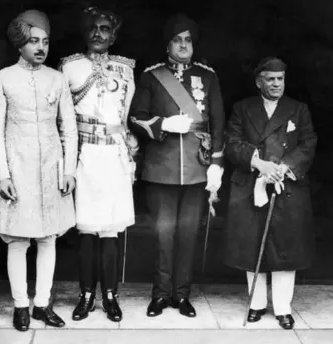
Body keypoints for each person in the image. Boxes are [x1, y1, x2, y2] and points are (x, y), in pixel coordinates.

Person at [129, 13, 225, 318]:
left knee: (188, 236)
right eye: (177, 39)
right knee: (163, 235)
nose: (183, 45)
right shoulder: (151, 77)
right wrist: (165, 124)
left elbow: (219, 123)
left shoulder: (208, 76)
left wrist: (217, 164)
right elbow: (136, 118)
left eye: (188, 40)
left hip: (198, 169)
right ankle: (160, 294)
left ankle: (182, 295)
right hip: (162, 169)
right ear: (167, 45)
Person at [0, 10, 78, 332]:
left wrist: (69, 170)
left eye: (45, 41)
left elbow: (69, 129)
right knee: (17, 240)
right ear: (19, 43)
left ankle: (42, 303)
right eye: (33, 41)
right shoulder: (3, 78)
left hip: (51, 169)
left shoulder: (57, 78)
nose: (40, 47)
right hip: (17, 168)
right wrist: (2, 175)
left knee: (48, 238)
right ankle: (20, 305)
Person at [224, 57, 317, 330]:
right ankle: (256, 304)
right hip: (251, 183)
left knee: (285, 248)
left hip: (287, 186)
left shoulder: (298, 110)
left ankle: (283, 307)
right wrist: (260, 164)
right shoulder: (242, 109)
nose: (276, 84)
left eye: (280, 79)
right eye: (270, 79)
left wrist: (283, 167)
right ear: (259, 82)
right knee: (252, 244)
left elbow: (308, 143)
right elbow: (232, 143)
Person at [59, 6, 138, 323]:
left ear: (113, 35)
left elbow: (127, 113)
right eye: (93, 27)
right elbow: (62, 118)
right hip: (85, 154)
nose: (98, 33)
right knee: (88, 230)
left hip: (115, 155)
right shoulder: (70, 67)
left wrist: (132, 148)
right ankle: (86, 295)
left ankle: (110, 295)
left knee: (111, 230)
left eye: (105, 29)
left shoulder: (126, 68)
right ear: (85, 31)